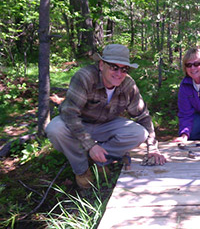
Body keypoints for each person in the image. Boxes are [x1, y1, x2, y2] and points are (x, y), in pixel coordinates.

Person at [45, 44, 166, 189]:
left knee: (139, 133)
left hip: (107, 124)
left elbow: (143, 116)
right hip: (79, 123)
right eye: (114, 67)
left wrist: (152, 147)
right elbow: (69, 113)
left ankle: (101, 161)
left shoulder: (128, 85)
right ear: (102, 65)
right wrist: (90, 145)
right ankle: (82, 169)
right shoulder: (85, 77)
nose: (119, 73)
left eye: (124, 69)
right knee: (55, 128)